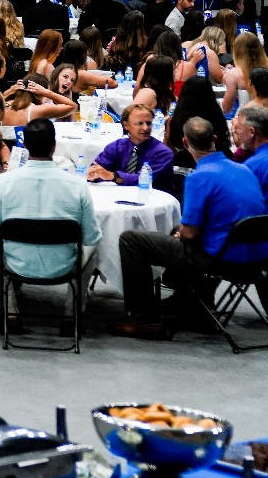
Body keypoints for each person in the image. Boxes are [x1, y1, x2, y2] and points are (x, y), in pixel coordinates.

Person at [112, 116, 268, 338]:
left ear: (185, 143)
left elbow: (190, 233)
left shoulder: (200, 177)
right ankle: (192, 307)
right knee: (177, 235)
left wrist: (181, 232)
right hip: (256, 256)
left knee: (132, 240)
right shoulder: (243, 169)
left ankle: (146, 318)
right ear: (214, 139)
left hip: (221, 259)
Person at [0, 120, 100, 328]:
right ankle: (72, 314)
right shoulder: (77, 185)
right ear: (54, 145)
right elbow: (92, 236)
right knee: (93, 247)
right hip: (65, 264)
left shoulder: (4, 183)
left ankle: (9, 310)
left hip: (15, 262)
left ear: (24, 145)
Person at [86, 103, 174, 185]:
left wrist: (114, 176)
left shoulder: (163, 152)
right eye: (140, 123)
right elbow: (97, 170)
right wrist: (94, 174)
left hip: (153, 197)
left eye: (149, 123)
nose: (146, 128)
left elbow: (143, 180)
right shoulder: (116, 147)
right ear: (126, 125)